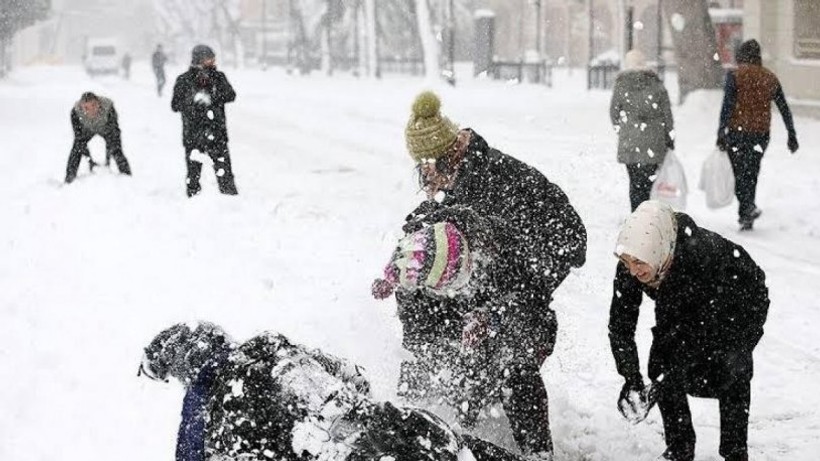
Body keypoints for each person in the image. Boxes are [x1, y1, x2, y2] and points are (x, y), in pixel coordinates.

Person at [373, 91, 587, 460]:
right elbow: (419, 327)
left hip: (525, 281)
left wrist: (506, 301)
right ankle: (444, 427)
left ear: (447, 156)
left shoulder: (498, 183)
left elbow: (571, 240)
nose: (424, 177)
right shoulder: (443, 204)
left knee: (510, 356)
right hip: (474, 281)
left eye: (426, 166)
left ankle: (536, 453)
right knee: (441, 353)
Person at [139, 322, 530, 461]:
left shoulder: (218, 424)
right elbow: (355, 377)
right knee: (457, 448)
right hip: (406, 427)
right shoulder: (270, 343)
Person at [608, 200, 769, 461]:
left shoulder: (699, 256)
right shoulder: (634, 260)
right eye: (626, 262)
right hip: (688, 308)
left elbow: (688, 331)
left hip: (737, 302)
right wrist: (631, 378)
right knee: (661, 364)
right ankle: (680, 448)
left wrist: (735, 346)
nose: (633, 270)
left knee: (732, 369)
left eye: (638, 262)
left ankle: (735, 450)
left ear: (657, 251)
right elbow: (620, 325)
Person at [716, 39, 799, 231]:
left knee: (740, 175)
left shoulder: (735, 76)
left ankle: (747, 208)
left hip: (737, 133)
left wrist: (721, 131)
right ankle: (747, 212)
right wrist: (791, 134)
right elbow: (784, 107)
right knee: (751, 172)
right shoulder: (769, 77)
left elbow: (727, 106)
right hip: (760, 135)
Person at [610, 49, 675, 212]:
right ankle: (646, 214)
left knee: (634, 181)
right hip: (654, 140)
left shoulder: (621, 84)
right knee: (648, 183)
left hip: (630, 142)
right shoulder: (656, 84)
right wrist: (669, 136)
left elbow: (614, 112)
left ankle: (636, 214)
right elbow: (667, 114)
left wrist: (624, 130)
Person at [171, 44, 238, 197]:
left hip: (217, 133)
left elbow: (231, 95)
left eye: (213, 58)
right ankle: (194, 203)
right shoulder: (184, 80)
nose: (212, 62)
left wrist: (212, 98)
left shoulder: (219, 77)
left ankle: (231, 203)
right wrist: (193, 102)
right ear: (199, 59)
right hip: (193, 135)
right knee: (193, 175)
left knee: (224, 172)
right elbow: (175, 105)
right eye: (209, 59)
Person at [65, 91, 132, 183]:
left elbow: (114, 132)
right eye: (86, 108)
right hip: (86, 130)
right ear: (81, 107)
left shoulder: (108, 108)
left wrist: (107, 159)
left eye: (93, 105)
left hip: (106, 128)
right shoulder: (75, 113)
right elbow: (79, 138)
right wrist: (90, 161)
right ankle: (69, 179)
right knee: (76, 149)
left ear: (99, 103)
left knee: (116, 150)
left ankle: (127, 177)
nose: (91, 110)